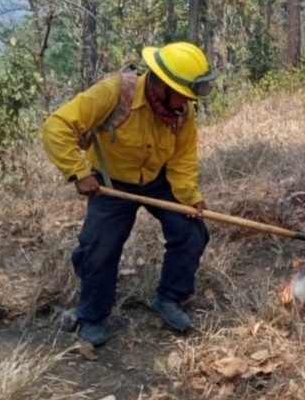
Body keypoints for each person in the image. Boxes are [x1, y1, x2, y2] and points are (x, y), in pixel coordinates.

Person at [42, 41, 218, 347]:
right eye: (183, 94)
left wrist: (190, 196)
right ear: (161, 85)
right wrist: (79, 173)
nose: (188, 102)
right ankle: (92, 314)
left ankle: (168, 298)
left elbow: (183, 159)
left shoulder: (181, 111)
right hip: (111, 181)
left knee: (191, 231)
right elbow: (56, 127)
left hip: (157, 178)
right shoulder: (114, 93)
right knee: (99, 247)